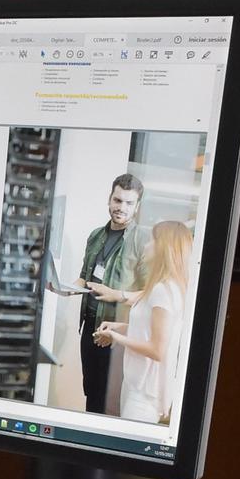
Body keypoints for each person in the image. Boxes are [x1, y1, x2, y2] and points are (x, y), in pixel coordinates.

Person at [61, 172, 151, 413]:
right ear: (110, 199)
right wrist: (66, 288)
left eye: (128, 203)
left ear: (137, 206)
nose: (121, 207)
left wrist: (117, 295)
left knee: (109, 400)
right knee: (91, 390)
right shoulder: (96, 235)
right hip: (90, 327)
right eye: (117, 200)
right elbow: (85, 277)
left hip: (117, 332)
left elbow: (150, 293)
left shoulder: (142, 240)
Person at [94, 219, 192, 424]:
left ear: (164, 248)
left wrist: (116, 337)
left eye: (152, 241)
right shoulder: (163, 287)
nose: (146, 246)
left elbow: (157, 349)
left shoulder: (163, 291)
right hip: (135, 384)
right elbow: (149, 331)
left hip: (144, 394)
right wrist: (118, 328)